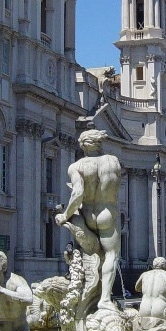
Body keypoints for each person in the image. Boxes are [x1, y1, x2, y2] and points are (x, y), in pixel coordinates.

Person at [55, 129, 121, 311]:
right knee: (111, 255)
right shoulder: (113, 162)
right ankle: (105, 299)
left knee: (84, 252)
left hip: (86, 215)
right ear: (99, 143)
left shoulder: (77, 166)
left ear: (83, 146)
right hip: (107, 213)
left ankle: (84, 293)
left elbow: (77, 194)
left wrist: (65, 215)